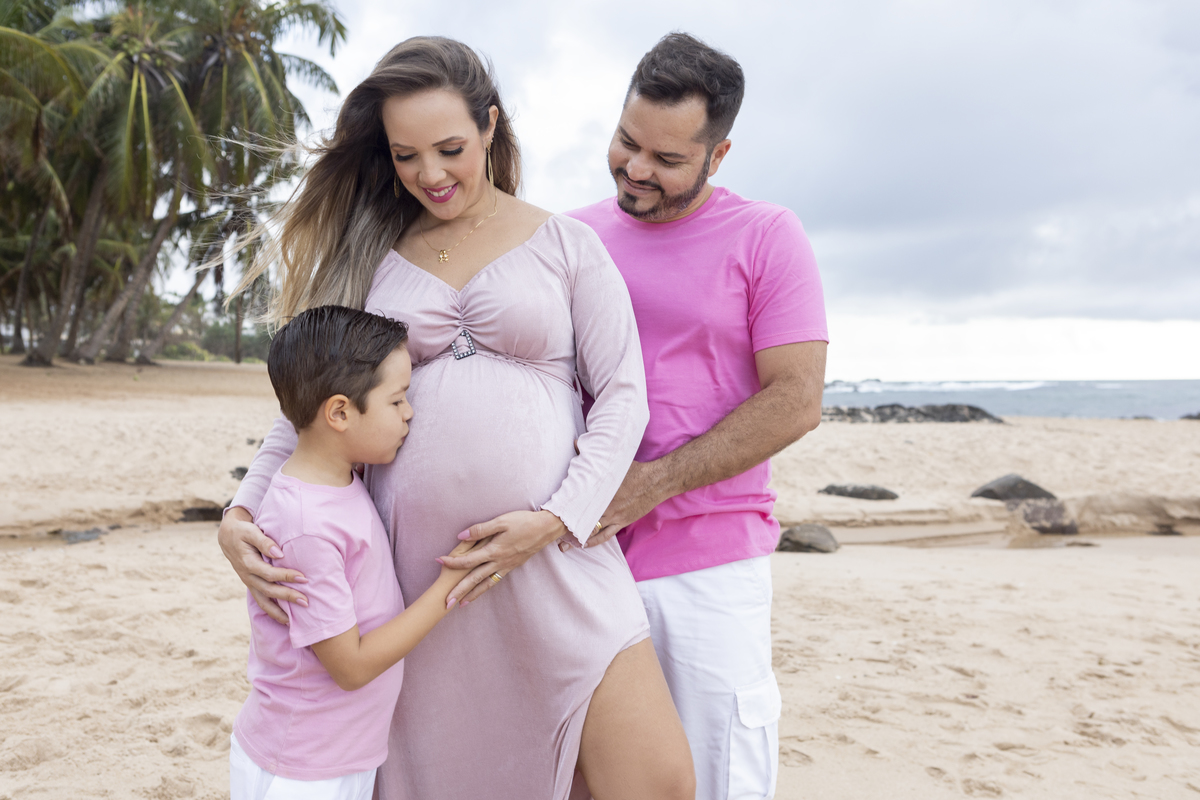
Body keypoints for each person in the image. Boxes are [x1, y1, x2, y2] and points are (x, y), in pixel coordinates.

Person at [217, 37, 695, 800]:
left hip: (553, 552)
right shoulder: (368, 256)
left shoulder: (567, 244)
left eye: (449, 149)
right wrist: (240, 512)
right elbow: (309, 410)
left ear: (490, 126)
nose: (430, 175)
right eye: (406, 156)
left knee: (657, 781)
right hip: (419, 579)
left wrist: (557, 519)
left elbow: (623, 397)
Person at [553, 33, 829, 800]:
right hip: (581, 559)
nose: (636, 168)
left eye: (667, 158)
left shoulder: (767, 235)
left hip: (709, 564)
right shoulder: (566, 238)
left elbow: (797, 399)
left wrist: (652, 483)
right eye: (627, 141)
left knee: (719, 777)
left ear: (719, 154)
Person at [230, 306, 478, 800]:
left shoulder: (338, 480)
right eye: (397, 400)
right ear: (340, 413)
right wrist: (449, 589)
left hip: (331, 754)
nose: (409, 413)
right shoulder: (306, 527)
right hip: (304, 768)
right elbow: (351, 666)